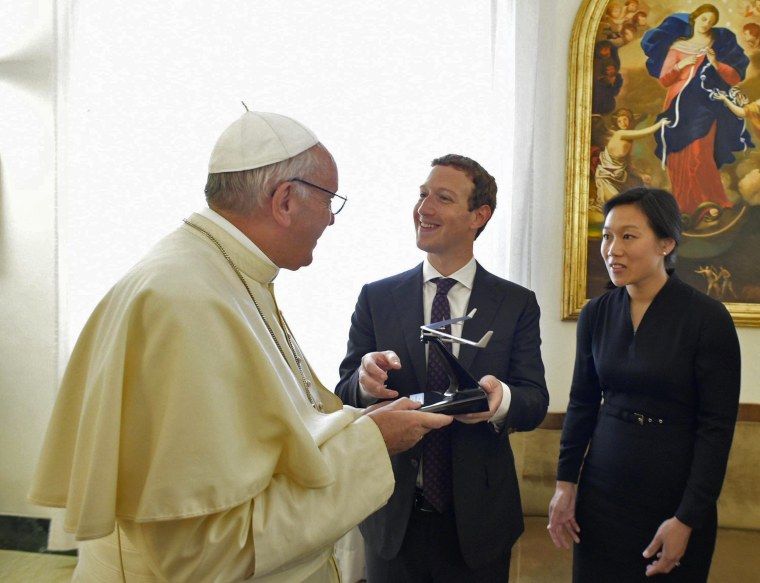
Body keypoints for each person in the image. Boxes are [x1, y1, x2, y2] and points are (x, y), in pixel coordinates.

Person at [27, 110, 453, 583]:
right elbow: (205, 551)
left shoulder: (222, 270)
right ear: (285, 200)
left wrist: (360, 428)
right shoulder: (185, 301)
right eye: (330, 200)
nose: (332, 219)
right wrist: (373, 445)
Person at [335, 155, 549, 582]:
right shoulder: (376, 297)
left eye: (443, 198)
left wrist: (499, 400)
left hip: (479, 525)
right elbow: (345, 388)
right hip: (391, 518)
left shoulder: (516, 303)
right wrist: (363, 380)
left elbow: (534, 400)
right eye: (421, 195)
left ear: (479, 216)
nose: (423, 208)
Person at [547, 187, 741, 583]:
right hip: (601, 493)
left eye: (628, 236)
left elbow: (716, 429)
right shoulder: (597, 313)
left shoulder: (707, 318)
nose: (612, 249)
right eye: (606, 236)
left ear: (666, 243)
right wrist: (565, 486)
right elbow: (582, 403)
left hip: (673, 497)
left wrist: (686, 519)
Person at [641, 4, 752, 224]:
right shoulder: (679, 46)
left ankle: (709, 200)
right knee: (679, 154)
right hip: (679, 103)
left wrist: (714, 63)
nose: (707, 24)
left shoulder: (715, 46)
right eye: (703, 19)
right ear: (694, 19)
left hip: (704, 104)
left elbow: (733, 77)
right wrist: (680, 64)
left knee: (701, 152)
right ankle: (684, 205)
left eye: (711, 21)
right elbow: (665, 79)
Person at [593, 108, 670, 208]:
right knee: (618, 206)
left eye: (625, 119)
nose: (623, 123)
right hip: (606, 178)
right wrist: (660, 124)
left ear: (629, 120)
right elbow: (644, 133)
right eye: (619, 121)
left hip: (619, 177)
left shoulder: (628, 140)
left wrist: (641, 175)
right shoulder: (620, 134)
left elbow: (628, 165)